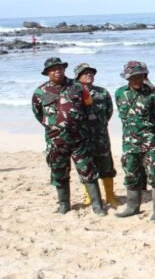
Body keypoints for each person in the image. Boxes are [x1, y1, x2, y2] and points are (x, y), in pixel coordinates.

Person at [31, 57, 105, 216]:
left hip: (79, 139)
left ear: (64, 69)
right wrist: (54, 126)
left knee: (88, 172)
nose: (57, 71)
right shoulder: (39, 92)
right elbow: (38, 114)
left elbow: (88, 106)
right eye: (53, 69)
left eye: (59, 68)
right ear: (47, 73)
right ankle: (64, 205)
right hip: (56, 141)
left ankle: (97, 206)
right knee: (59, 173)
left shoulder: (78, 87)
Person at [114, 61, 155, 221]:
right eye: (133, 77)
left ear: (145, 76)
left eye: (140, 76)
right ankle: (132, 207)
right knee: (131, 175)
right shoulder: (120, 93)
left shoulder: (153, 94)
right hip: (129, 144)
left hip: (150, 143)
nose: (137, 80)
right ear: (127, 78)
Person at [74, 63, 119, 208]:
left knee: (106, 166)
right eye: (85, 73)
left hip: (100, 136)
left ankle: (110, 196)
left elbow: (109, 112)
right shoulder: (72, 92)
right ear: (78, 76)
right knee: (85, 167)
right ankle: (89, 196)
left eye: (91, 73)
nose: (89, 75)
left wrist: (99, 126)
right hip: (81, 137)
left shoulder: (102, 92)